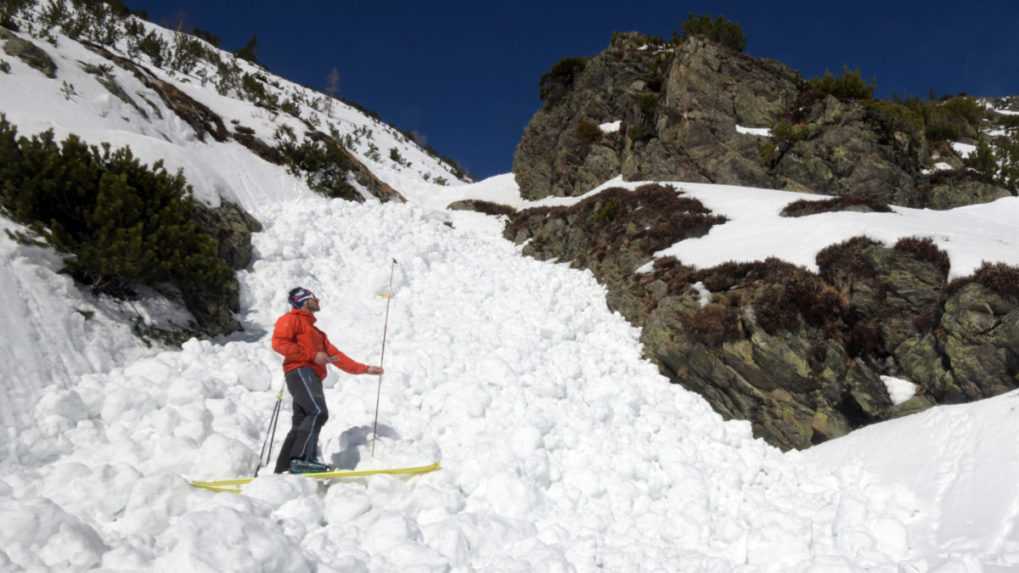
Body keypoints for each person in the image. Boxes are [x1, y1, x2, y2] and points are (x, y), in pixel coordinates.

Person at [271, 287, 383, 474]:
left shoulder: (317, 333)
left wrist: (365, 369)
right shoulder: (290, 320)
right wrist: (313, 356)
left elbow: (337, 356)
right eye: (314, 298)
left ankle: (284, 470)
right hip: (300, 371)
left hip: (309, 374)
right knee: (317, 411)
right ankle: (302, 460)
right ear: (304, 301)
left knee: (302, 421)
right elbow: (279, 343)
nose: (318, 300)